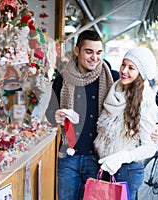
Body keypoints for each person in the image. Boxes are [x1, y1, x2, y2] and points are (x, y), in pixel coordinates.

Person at [45, 30, 118, 199]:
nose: (94, 57)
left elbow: (131, 106)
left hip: (97, 158)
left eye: (99, 52)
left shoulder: (111, 78)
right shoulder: (62, 79)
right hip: (68, 158)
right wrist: (55, 116)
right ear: (77, 51)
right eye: (89, 51)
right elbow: (49, 115)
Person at [94, 47, 158, 200]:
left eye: (131, 68)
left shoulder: (144, 101)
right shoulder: (115, 90)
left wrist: (119, 157)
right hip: (106, 165)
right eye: (123, 64)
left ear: (140, 73)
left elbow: (149, 148)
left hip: (126, 169)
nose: (124, 70)